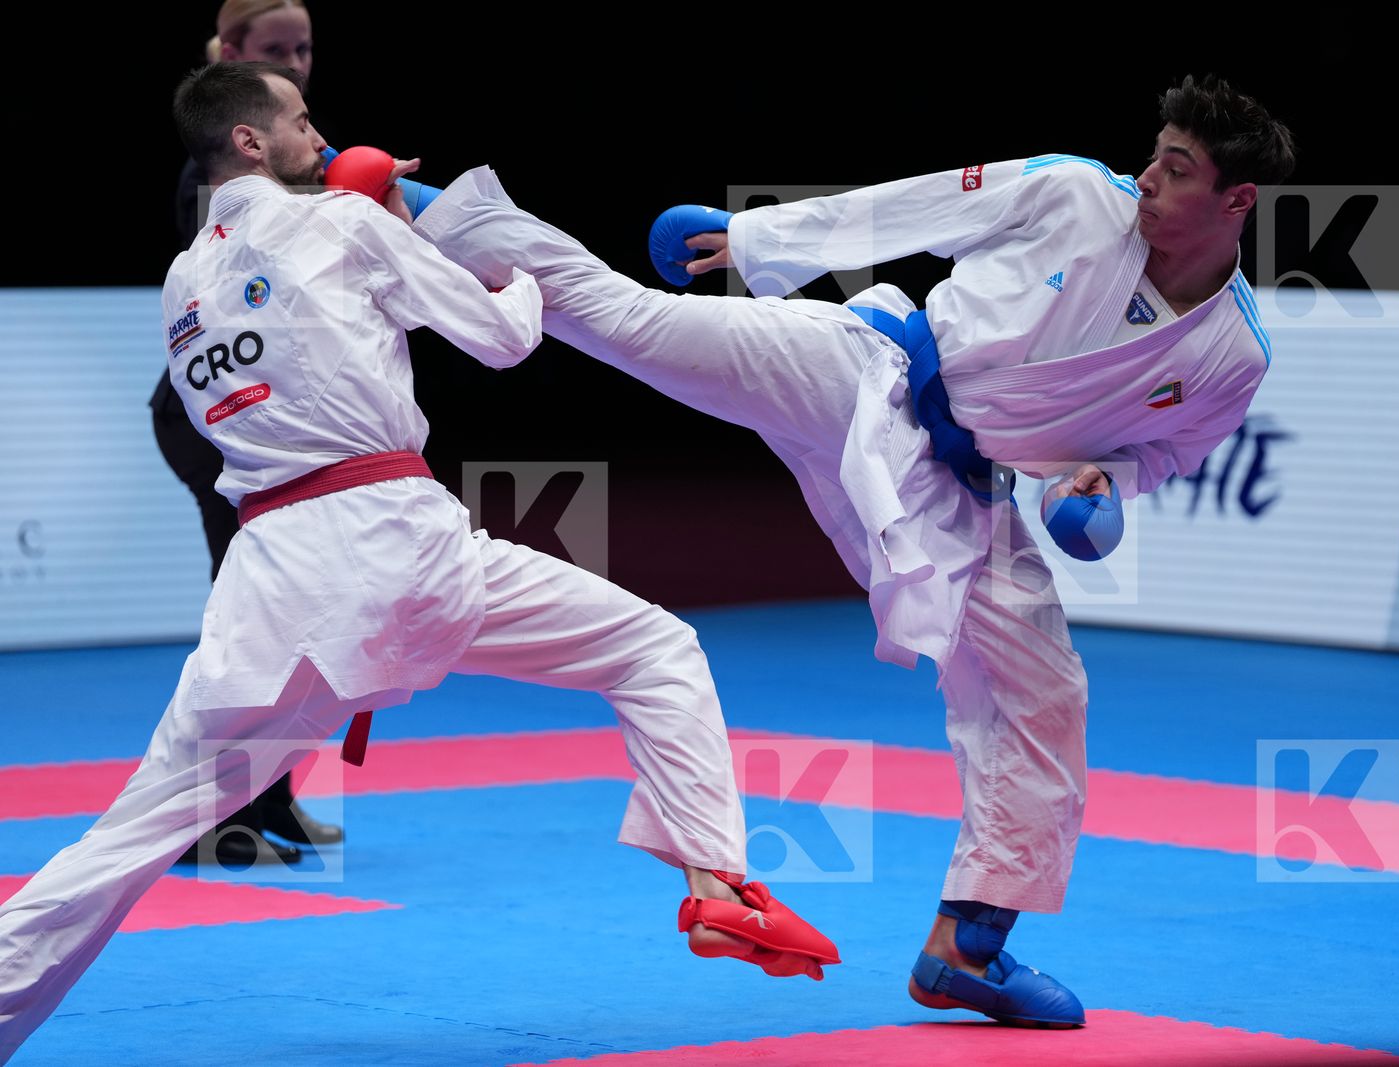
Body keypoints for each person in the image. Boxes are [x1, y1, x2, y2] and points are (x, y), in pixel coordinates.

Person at [403, 74, 1294, 1028]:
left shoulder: (1229, 356)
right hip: (865, 371)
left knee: (1046, 690)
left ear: (1235, 200)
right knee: (629, 323)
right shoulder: (1081, 192)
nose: (1148, 178)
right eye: (1155, 154)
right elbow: (912, 202)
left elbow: (1157, 454)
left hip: (959, 493)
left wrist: (1102, 489)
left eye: (1177, 169)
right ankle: (399, 201)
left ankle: (967, 947)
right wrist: (755, 240)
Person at [0, 61, 836, 1061]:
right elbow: (499, 338)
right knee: (655, 650)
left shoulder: (184, 282)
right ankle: (717, 882)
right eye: (301, 120)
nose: (320, 132)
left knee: (129, 834)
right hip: (396, 540)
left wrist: (367, 219)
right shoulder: (343, 226)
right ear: (251, 141)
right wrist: (503, 250)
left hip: (270, 584)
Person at [152, 0, 333, 866]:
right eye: (275, 51)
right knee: (248, 626)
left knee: (289, 624)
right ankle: (202, 818)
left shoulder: (301, 163)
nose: (297, 64)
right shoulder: (219, 180)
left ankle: (270, 798)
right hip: (222, 427)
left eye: (304, 48)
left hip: (268, 418)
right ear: (231, 54)